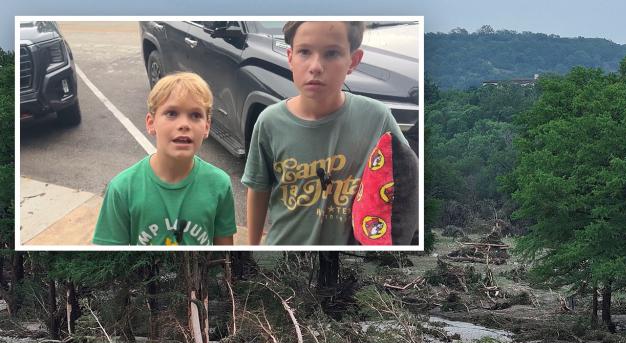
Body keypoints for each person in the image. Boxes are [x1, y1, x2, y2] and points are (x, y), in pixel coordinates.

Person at [242, 20, 417, 246]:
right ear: (290, 57)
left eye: (332, 53)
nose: (315, 66)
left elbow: (406, 183)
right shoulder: (269, 121)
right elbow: (258, 188)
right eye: (304, 52)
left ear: (353, 61)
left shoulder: (377, 118)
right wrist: (253, 247)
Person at [92, 72, 236, 246]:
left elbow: (225, 255)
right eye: (172, 113)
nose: (184, 124)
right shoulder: (122, 189)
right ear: (151, 123)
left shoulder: (219, 184)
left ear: (206, 127)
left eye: (195, 115)